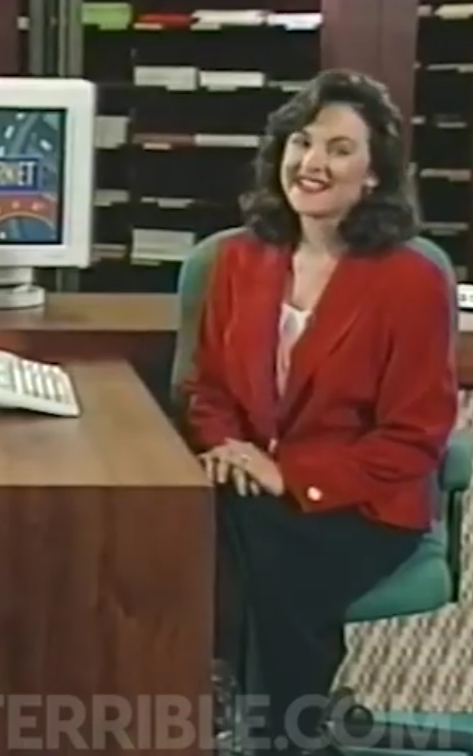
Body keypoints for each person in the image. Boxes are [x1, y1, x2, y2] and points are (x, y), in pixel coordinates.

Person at [183, 70, 457, 756]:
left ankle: (264, 733)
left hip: (363, 502)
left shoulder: (412, 280)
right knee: (204, 541)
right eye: (302, 142)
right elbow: (207, 390)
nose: (312, 163)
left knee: (261, 569)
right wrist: (229, 450)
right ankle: (286, 733)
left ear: (374, 174)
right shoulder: (237, 260)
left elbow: (414, 437)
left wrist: (291, 476)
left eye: (339, 149)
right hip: (248, 487)